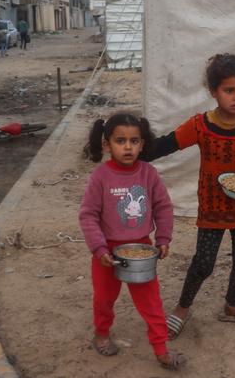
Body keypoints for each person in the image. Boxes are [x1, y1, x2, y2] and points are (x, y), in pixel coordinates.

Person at [148, 53, 235, 339]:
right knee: (203, 263)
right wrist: (133, 149)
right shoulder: (200, 125)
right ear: (214, 92)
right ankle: (182, 309)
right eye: (229, 90)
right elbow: (164, 146)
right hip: (212, 208)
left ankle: (232, 307)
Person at [79, 112, 186, 371]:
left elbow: (163, 207)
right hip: (106, 252)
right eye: (120, 141)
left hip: (141, 249)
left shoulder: (148, 173)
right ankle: (102, 333)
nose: (128, 147)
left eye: (134, 141)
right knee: (104, 299)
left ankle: (161, 349)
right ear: (107, 145)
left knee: (151, 302)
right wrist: (99, 248)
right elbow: (88, 214)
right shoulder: (101, 177)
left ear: (142, 144)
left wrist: (163, 238)